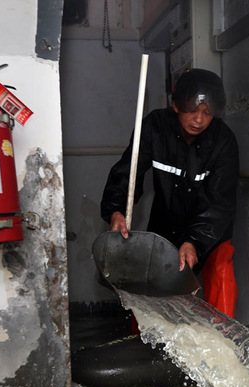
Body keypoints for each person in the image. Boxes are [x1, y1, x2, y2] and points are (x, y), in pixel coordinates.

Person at [100, 68, 240, 317]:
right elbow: (128, 173)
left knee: (221, 270)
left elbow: (219, 202)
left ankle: (226, 343)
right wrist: (116, 210)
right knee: (149, 290)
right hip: (165, 227)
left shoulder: (224, 142)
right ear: (175, 105)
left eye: (207, 113)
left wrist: (194, 241)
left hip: (210, 230)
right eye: (192, 110)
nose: (199, 119)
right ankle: (142, 345)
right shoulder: (155, 127)